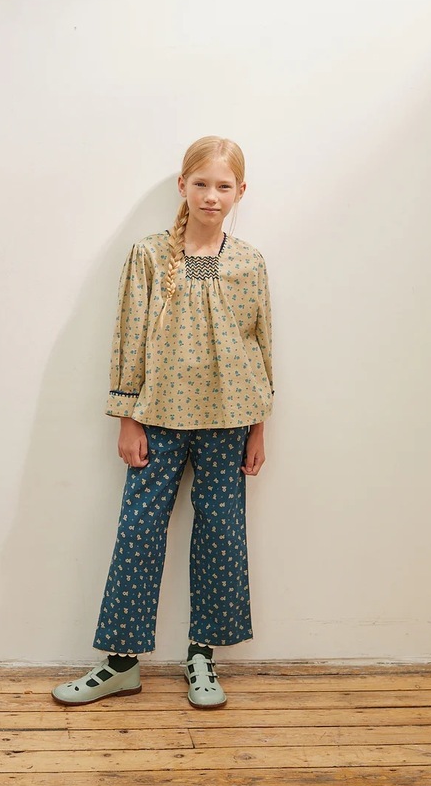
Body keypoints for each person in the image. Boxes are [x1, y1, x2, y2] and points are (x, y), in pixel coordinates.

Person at [52, 136, 274, 710]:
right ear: (182, 186)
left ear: (240, 192)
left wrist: (259, 425)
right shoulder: (149, 255)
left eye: (223, 186)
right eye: (201, 183)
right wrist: (126, 418)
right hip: (158, 416)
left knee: (222, 532)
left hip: (230, 418)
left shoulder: (249, 261)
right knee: (139, 530)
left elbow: (260, 344)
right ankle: (121, 662)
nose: (211, 195)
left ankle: (202, 656)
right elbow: (128, 337)